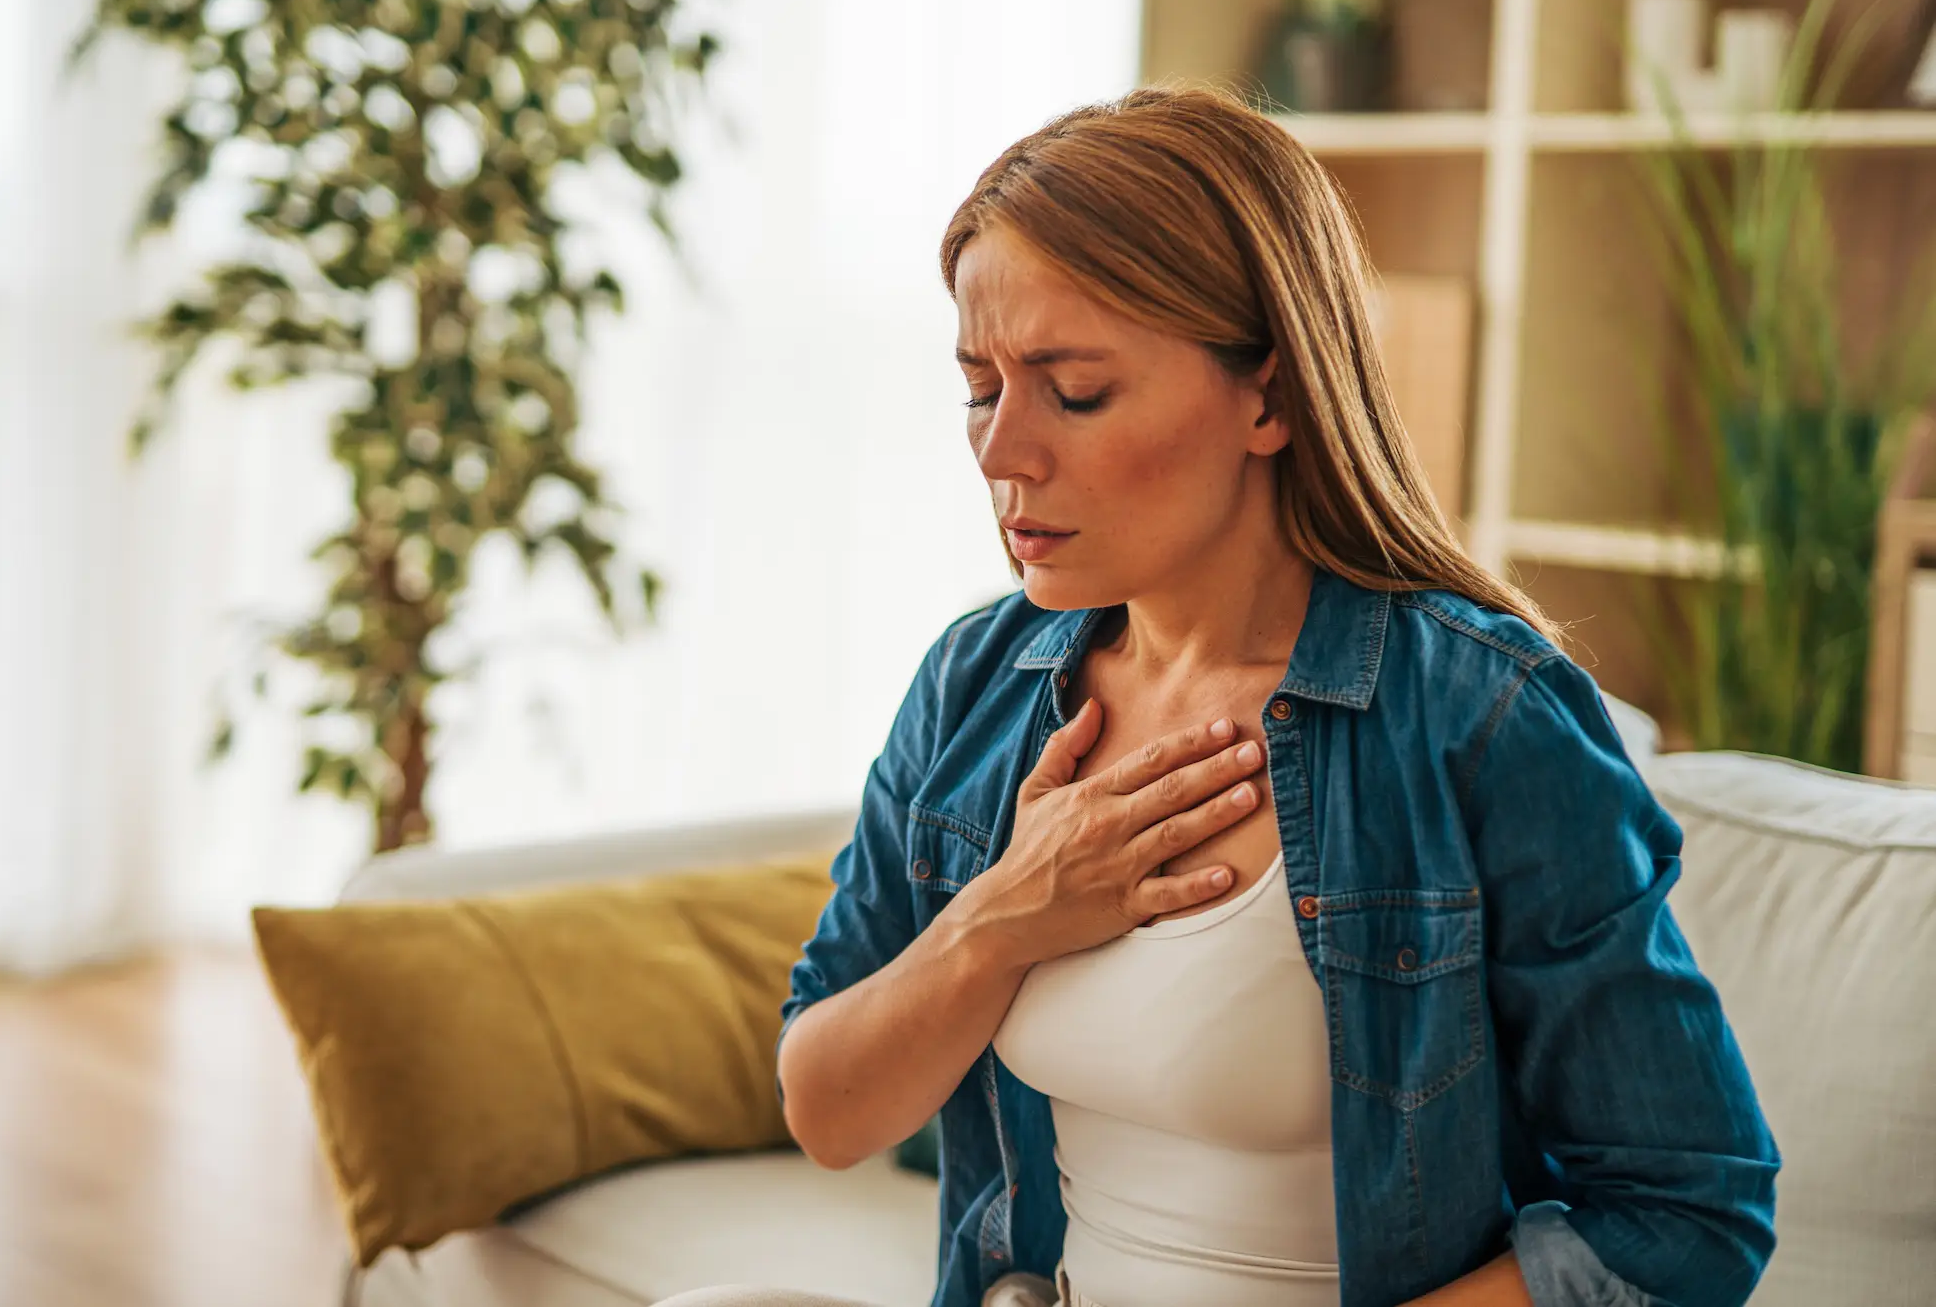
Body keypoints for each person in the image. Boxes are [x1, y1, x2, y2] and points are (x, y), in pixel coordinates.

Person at [660, 86, 1777, 1307]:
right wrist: (1010, 914)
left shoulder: (1481, 714)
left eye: (1073, 390)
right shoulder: (977, 684)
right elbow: (827, 1106)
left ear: (1271, 396)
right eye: (982, 387)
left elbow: (1688, 1214)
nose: (999, 451)